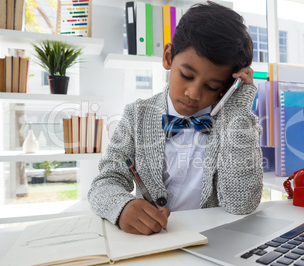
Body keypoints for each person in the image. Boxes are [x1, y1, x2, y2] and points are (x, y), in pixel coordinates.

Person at [88, 1, 263, 235]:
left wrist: (237, 111)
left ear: (228, 86)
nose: (193, 94)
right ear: (169, 57)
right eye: (186, 75)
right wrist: (122, 207)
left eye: (212, 86)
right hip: (151, 241)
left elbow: (241, 204)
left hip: (213, 242)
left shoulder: (236, 125)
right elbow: (105, 181)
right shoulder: (137, 115)